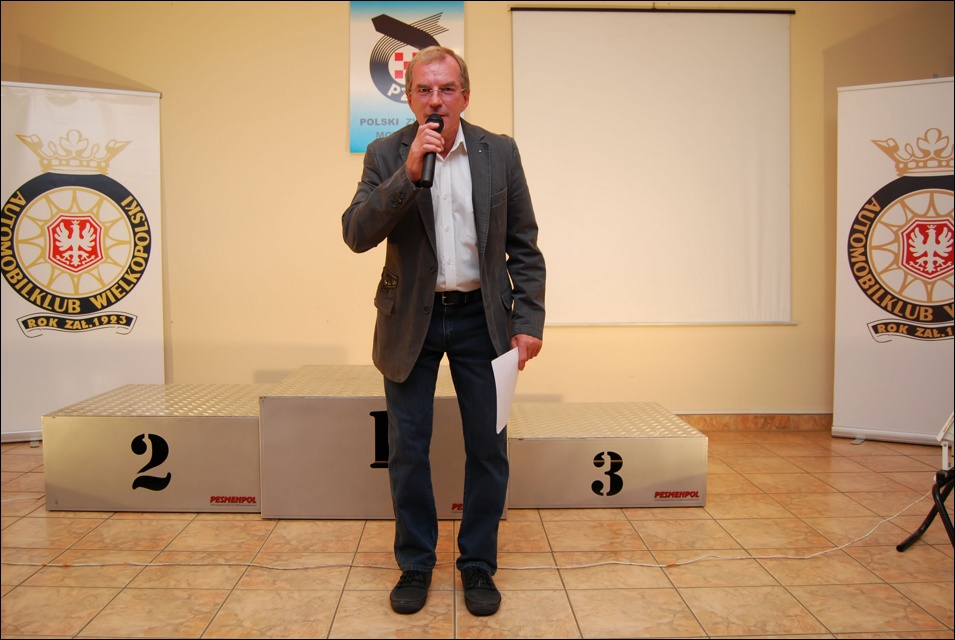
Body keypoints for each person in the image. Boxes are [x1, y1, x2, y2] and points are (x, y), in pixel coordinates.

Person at [342, 46, 546, 616]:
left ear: (465, 95)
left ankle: (477, 563)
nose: (436, 100)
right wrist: (407, 176)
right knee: (408, 450)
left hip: (484, 320)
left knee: (488, 448)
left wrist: (528, 320)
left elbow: (525, 246)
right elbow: (356, 233)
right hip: (412, 319)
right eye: (425, 90)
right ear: (409, 99)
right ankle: (415, 564)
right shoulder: (386, 153)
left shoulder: (499, 152)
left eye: (447, 89)